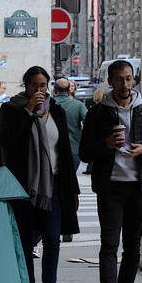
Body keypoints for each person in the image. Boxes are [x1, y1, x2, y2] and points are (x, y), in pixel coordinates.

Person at [79, 59, 142, 283]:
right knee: (109, 245)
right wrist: (106, 144)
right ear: (110, 82)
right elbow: (84, 152)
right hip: (110, 187)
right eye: (119, 79)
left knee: (132, 248)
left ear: (134, 80)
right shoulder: (97, 113)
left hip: (138, 187)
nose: (125, 84)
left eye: (129, 79)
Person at [0, 65, 80, 283]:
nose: (39, 90)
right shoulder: (12, 110)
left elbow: (64, 150)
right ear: (26, 86)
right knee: (24, 243)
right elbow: (7, 141)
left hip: (52, 186)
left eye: (43, 86)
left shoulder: (57, 111)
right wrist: (28, 112)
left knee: (53, 239)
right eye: (34, 85)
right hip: (23, 187)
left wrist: (72, 189)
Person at [53, 76, 87, 241]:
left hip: (52, 153)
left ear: (54, 90)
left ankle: (56, 224)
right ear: (69, 91)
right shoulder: (78, 105)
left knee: (54, 189)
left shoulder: (48, 105)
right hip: (73, 152)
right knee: (71, 188)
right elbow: (88, 124)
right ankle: (69, 226)